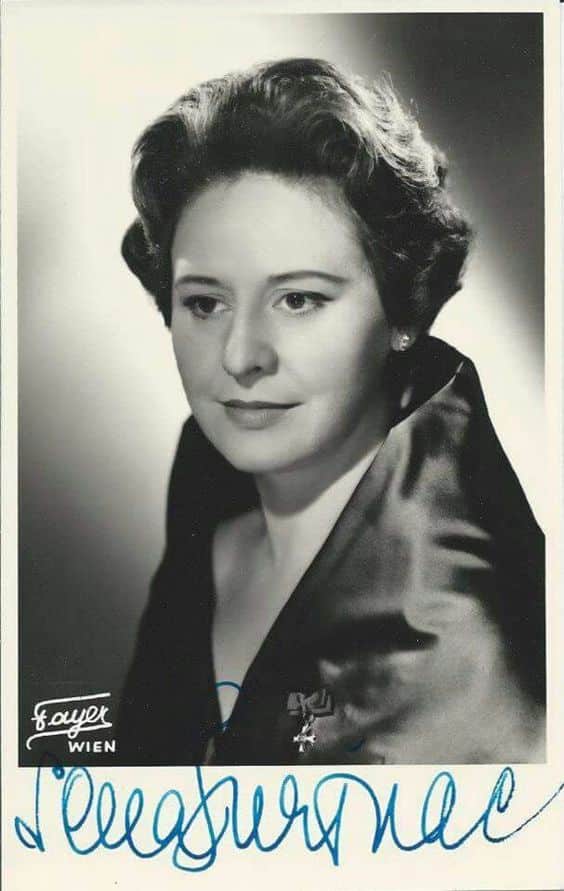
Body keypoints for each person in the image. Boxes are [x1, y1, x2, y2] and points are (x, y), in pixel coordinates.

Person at [117, 58, 545, 765]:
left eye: (299, 299)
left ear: (403, 312)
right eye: (205, 302)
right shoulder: (206, 524)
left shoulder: (473, 647)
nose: (241, 355)